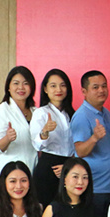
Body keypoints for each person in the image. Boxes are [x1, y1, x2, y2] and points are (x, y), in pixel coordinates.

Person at [71, 70, 110, 217]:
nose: (101, 90)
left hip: (107, 187)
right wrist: (94, 138)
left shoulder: (104, 112)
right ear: (84, 91)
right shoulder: (82, 116)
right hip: (94, 188)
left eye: (104, 86)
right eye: (95, 87)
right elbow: (80, 150)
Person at [29, 69, 76, 208]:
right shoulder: (41, 112)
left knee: (69, 208)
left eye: (62, 85)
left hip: (69, 166)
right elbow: (36, 145)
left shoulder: (72, 114)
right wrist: (45, 131)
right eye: (53, 86)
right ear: (45, 89)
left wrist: (69, 166)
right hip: (49, 167)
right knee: (48, 210)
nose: (58, 90)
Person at [0, 66, 37, 185]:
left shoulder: (36, 111)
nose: (21, 87)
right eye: (16, 83)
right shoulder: (1, 110)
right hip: (10, 173)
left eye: (25, 83)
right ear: (8, 87)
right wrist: (7, 138)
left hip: (32, 171)